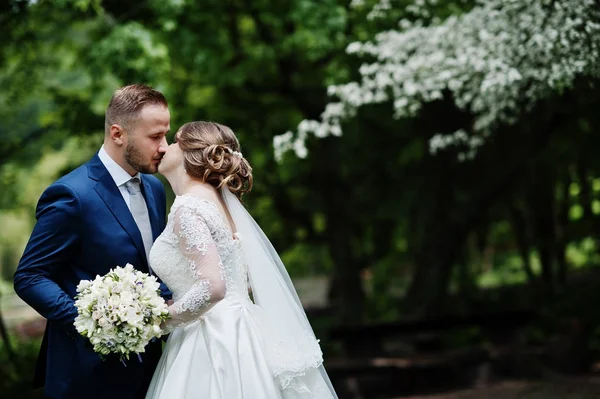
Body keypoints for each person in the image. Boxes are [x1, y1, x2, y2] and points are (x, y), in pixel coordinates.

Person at [145, 121, 338, 398]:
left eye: (175, 141)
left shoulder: (187, 208)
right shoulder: (216, 202)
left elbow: (213, 287)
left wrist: (160, 320)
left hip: (212, 338)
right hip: (242, 327)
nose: (166, 147)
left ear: (192, 153)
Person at [13, 84, 172, 399]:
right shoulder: (72, 195)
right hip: (87, 375)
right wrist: (89, 320)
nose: (165, 146)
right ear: (117, 134)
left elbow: (154, 269)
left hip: (153, 370)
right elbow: (29, 276)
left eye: (166, 134)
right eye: (155, 137)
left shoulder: (154, 188)